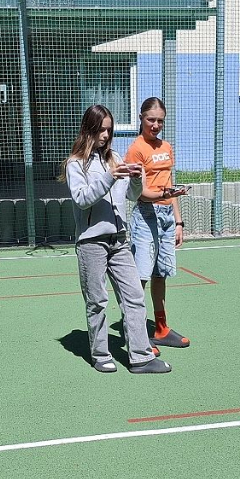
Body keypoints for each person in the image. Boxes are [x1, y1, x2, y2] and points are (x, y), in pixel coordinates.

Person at [63, 105, 171, 375]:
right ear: (88, 130)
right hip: (92, 242)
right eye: (100, 130)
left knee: (134, 296)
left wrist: (135, 178)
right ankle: (100, 354)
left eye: (109, 130)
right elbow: (82, 199)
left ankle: (141, 357)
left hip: (119, 240)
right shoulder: (76, 163)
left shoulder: (114, 158)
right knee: (97, 300)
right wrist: (109, 177)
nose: (105, 135)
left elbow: (132, 195)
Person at [125, 97, 191, 351]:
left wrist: (178, 222)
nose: (155, 125)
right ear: (141, 118)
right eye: (151, 120)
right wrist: (165, 194)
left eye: (160, 121)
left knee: (160, 274)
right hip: (146, 215)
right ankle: (137, 334)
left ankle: (161, 328)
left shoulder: (166, 147)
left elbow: (169, 184)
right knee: (140, 277)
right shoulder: (136, 150)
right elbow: (140, 193)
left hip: (166, 218)